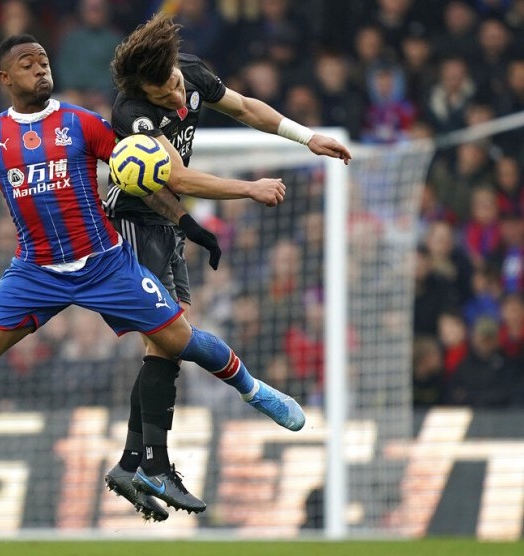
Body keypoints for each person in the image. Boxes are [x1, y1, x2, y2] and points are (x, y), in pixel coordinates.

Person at [0, 34, 305, 518]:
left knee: (180, 340)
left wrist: (187, 222)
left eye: (44, 61)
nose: (41, 70)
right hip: (35, 271)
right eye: (28, 64)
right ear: (5, 78)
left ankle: (255, 391)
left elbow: (145, 178)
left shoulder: (82, 123)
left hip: (105, 262)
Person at [102, 12, 352, 521]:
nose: (175, 95)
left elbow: (244, 108)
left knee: (166, 345)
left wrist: (307, 137)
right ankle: (158, 459)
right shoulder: (131, 112)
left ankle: (134, 463)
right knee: (169, 336)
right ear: (140, 90)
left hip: (169, 226)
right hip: (132, 223)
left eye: (174, 81)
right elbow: (176, 176)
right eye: (162, 91)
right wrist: (249, 188)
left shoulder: (188, 71)